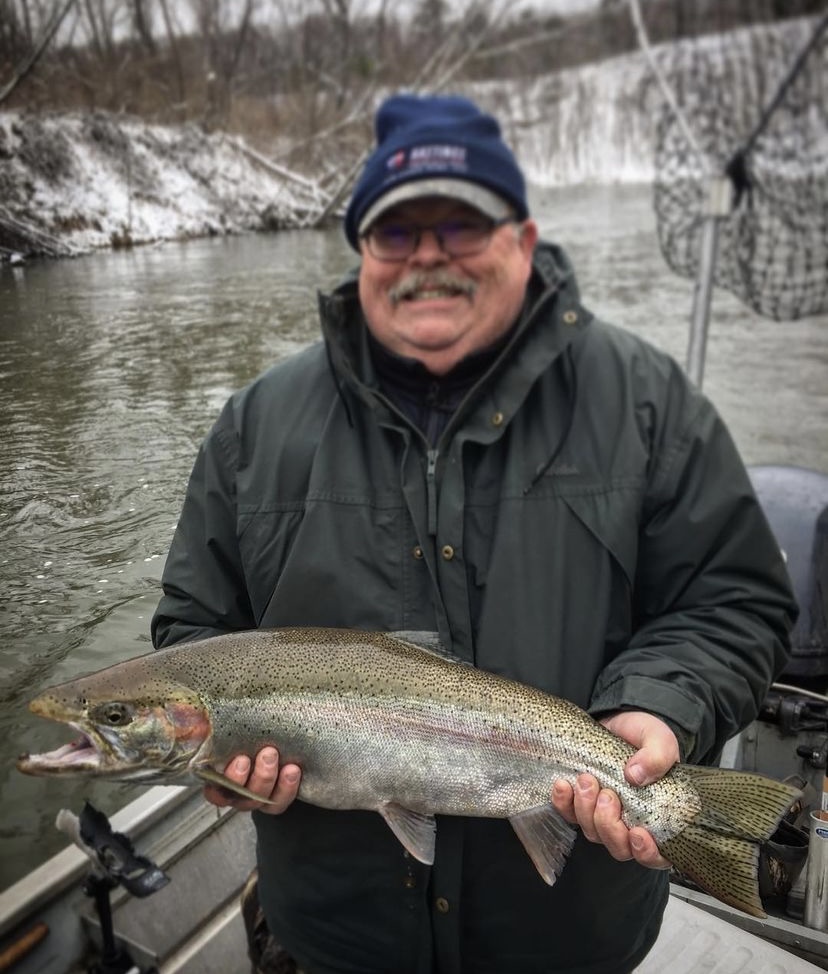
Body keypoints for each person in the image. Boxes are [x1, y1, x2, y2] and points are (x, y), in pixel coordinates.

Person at [152, 93, 797, 974]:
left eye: (461, 228)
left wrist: (662, 702)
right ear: (363, 252)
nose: (429, 259)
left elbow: (735, 600)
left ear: (523, 242)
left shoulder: (645, 403)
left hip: (567, 940)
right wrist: (224, 753)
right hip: (335, 940)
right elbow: (192, 635)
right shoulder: (254, 429)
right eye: (397, 233)